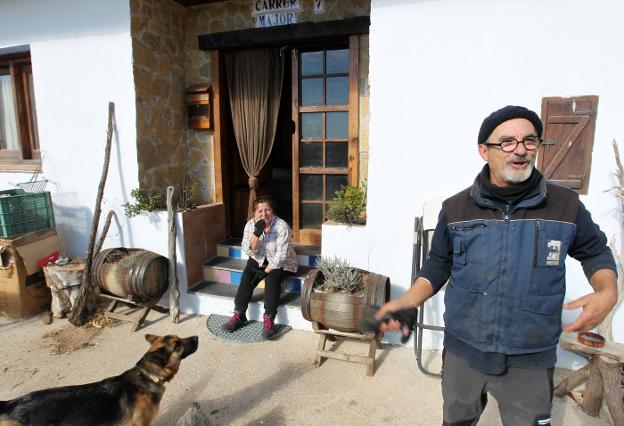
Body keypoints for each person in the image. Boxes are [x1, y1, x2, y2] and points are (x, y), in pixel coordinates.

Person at [377, 105, 618, 425]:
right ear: (483, 150)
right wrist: (407, 302)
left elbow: (595, 251)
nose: (520, 150)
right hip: (464, 352)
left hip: (530, 358)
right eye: (507, 142)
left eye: (529, 141)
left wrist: (607, 291)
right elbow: (437, 264)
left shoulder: (565, 205)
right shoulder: (456, 208)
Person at [222, 196, 298, 339]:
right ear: (255, 213)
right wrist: (257, 233)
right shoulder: (251, 225)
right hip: (260, 259)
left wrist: (264, 273)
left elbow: (280, 258)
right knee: (247, 275)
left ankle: (269, 320)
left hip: (283, 263)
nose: (263, 214)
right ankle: (239, 315)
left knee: (271, 279)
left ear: (273, 211)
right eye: (259, 211)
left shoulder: (282, 227)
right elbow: (249, 250)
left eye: (267, 210)